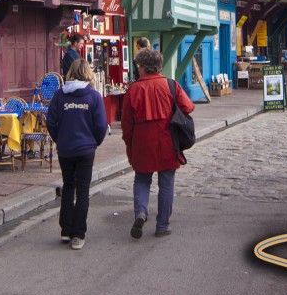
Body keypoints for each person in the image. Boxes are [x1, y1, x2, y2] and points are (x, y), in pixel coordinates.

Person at [122, 48, 195, 238]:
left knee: (142, 178)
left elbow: (126, 123)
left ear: (144, 67)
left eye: (138, 66)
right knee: (166, 182)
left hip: (142, 141)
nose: (138, 69)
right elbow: (189, 106)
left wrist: (129, 143)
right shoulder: (171, 85)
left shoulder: (134, 89)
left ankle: (141, 211)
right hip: (166, 140)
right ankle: (162, 225)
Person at [46, 59, 108, 250]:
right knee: (82, 191)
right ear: (88, 72)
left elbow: (51, 121)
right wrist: (93, 142)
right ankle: (78, 234)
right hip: (85, 150)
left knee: (68, 187)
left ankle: (66, 229)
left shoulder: (60, 96)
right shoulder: (93, 96)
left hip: (66, 149)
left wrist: (60, 139)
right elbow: (100, 125)